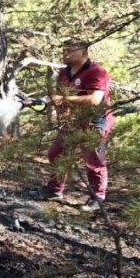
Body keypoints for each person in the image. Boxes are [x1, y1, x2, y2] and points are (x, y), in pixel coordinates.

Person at [43, 38, 114, 211]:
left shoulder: (96, 72)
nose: (65, 53)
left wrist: (63, 99)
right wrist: (61, 110)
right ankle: (54, 190)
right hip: (74, 121)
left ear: (84, 52)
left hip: (96, 121)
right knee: (56, 153)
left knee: (94, 161)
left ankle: (97, 198)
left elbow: (95, 100)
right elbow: (60, 98)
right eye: (64, 50)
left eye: (70, 50)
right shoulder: (63, 73)